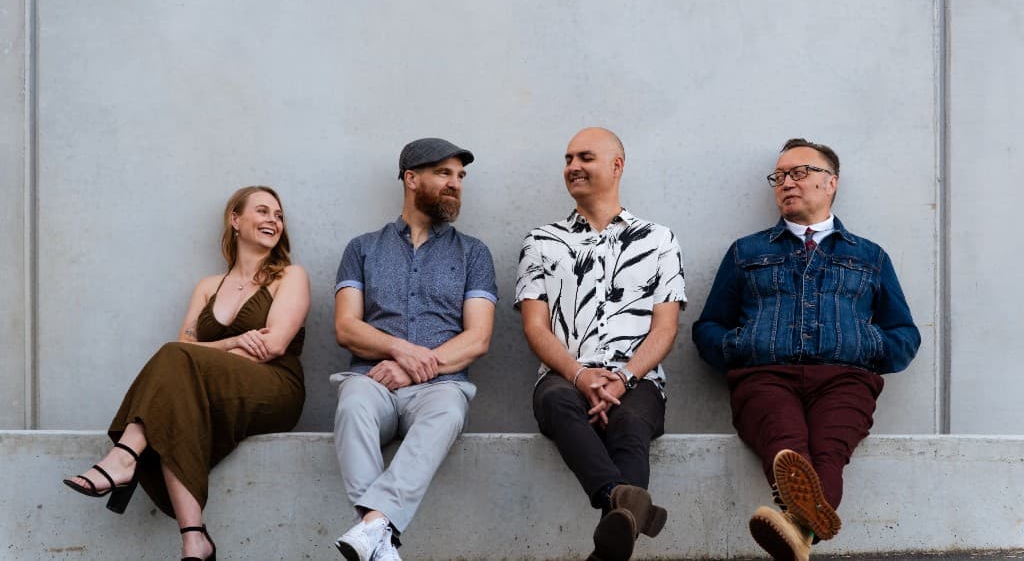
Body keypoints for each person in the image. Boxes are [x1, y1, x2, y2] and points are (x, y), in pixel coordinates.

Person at [692, 138, 920, 561]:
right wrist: (741, 346)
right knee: (788, 448)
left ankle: (797, 535)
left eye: (799, 173)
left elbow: (904, 334)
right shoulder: (748, 252)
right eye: (778, 176)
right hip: (765, 377)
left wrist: (865, 346)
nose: (786, 183)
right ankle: (802, 534)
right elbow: (708, 326)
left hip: (845, 380)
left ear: (831, 182)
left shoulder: (870, 256)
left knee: (830, 452)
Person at [63, 186, 310, 561]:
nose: (273, 221)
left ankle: (124, 457)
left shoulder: (289, 277)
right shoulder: (208, 287)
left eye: (278, 215)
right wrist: (230, 344)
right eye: (262, 211)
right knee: (178, 396)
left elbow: (272, 346)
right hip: (212, 392)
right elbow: (185, 351)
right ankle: (194, 539)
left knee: (175, 363)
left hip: (274, 389)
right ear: (235, 220)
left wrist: (206, 353)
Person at [515, 127, 686, 561]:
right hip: (563, 376)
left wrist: (624, 378)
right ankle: (623, 501)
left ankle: (612, 534)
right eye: (568, 158)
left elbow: (665, 328)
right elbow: (536, 328)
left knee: (631, 426)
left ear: (617, 165)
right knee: (557, 402)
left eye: (585, 157)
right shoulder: (541, 241)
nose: (573, 167)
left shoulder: (659, 240)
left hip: (638, 379)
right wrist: (579, 374)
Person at [331, 137, 497, 561]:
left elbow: (477, 338)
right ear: (411, 178)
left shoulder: (474, 253)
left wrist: (413, 367)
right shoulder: (362, 248)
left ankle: (372, 530)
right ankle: (381, 540)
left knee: (448, 410)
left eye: (460, 176)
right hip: (373, 380)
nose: (455, 184)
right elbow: (347, 327)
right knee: (352, 405)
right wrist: (399, 350)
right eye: (444, 173)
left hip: (440, 386)